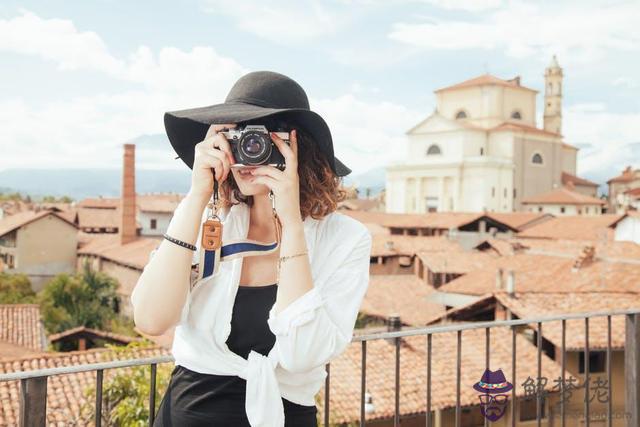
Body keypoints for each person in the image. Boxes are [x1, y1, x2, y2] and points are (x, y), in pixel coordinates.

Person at [131, 71, 372, 427]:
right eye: (236, 136)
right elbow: (151, 319)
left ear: (297, 147)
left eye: (260, 137)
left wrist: (290, 223)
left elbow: (302, 355)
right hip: (189, 412)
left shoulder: (345, 239)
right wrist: (197, 194)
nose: (248, 150)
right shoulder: (209, 219)